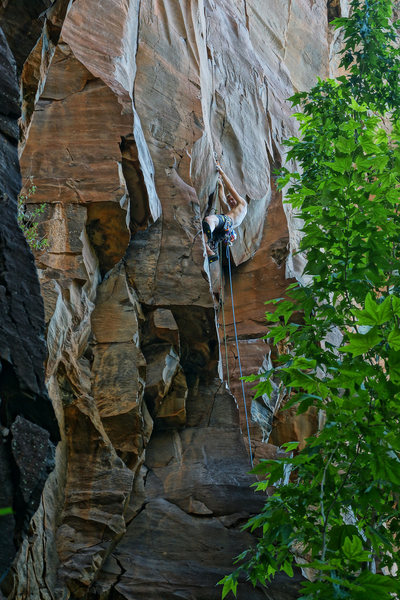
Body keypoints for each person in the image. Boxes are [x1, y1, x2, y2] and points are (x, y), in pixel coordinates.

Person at [202, 164, 248, 263]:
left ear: (237, 198)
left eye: (232, 199)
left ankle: (207, 243)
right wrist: (220, 183)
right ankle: (210, 251)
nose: (231, 201)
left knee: (209, 220)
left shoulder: (242, 204)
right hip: (224, 231)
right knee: (203, 234)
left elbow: (231, 188)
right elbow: (222, 198)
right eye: (229, 200)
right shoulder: (230, 211)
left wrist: (221, 172)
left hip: (227, 224)